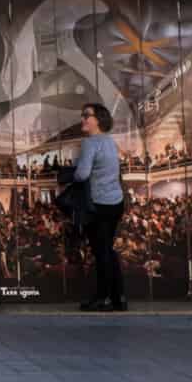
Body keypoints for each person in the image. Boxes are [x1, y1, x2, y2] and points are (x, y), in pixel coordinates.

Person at [73, 102, 126, 312]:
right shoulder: (111, 143)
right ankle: (117, 297)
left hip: (99, 205)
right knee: (108, 251)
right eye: (83, 115)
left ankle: (103, 298)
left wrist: (73, 172)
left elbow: (82, 174)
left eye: (87, 115)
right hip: (115, 203)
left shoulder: (90, 143)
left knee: (101, 252)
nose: (83, 119)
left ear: (99, 120)